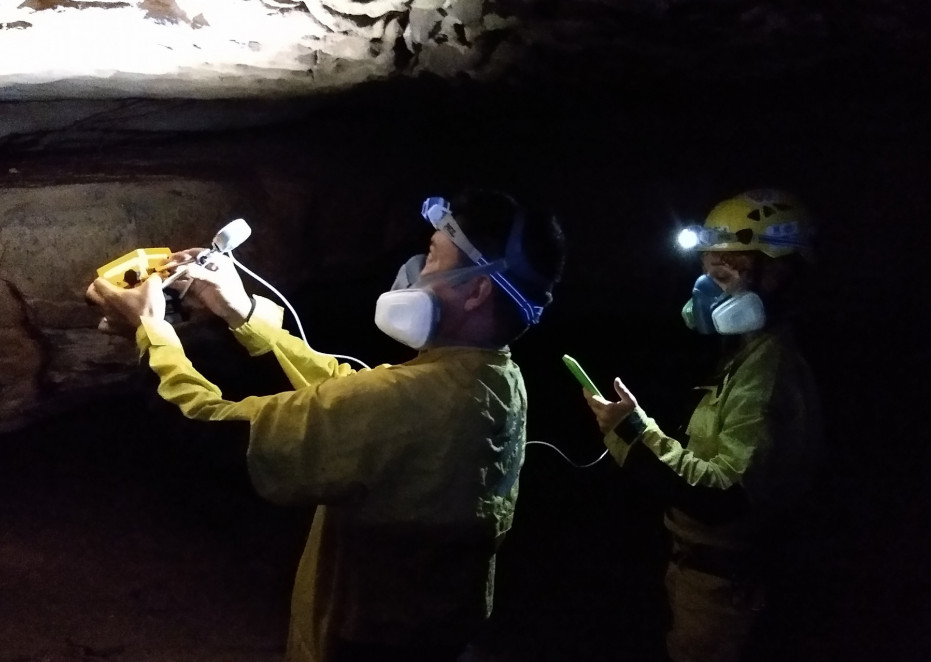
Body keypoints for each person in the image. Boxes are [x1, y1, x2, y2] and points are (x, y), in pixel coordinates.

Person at [85, 190, 566, 662]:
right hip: (429, 637)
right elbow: (351, 393)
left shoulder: (409, 402)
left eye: (435, 255)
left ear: (478, 289)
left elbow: (207, 429)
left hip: (361, 646)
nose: (418, 269)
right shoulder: (496, 381)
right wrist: (243, 312)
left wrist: (151, 330)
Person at [582, 189, 823, 662]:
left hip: (727, 590)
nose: (710, 288)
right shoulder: (744, 355)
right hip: (702, 576)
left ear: (776, 275)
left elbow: (721, 496)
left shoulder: (770, 372)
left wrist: (632, 434)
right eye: (708, 270)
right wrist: (637, 426)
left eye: (726, 272)